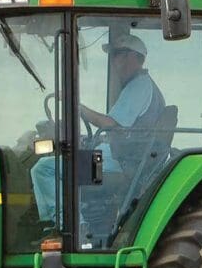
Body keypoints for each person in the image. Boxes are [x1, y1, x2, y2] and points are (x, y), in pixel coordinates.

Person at [31, 32, 166, 243]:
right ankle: (68, 222)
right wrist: (93, 141)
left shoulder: (139, 86)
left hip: (121, 164)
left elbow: (111, 124)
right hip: (121, 157)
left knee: (45, 168)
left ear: (137, 58)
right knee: (62, 164)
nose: (115, 60)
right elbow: (121, 132)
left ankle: (73, 226)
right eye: (113, 55)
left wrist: (79, 108)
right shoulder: (137, 87)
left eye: (120, 54)